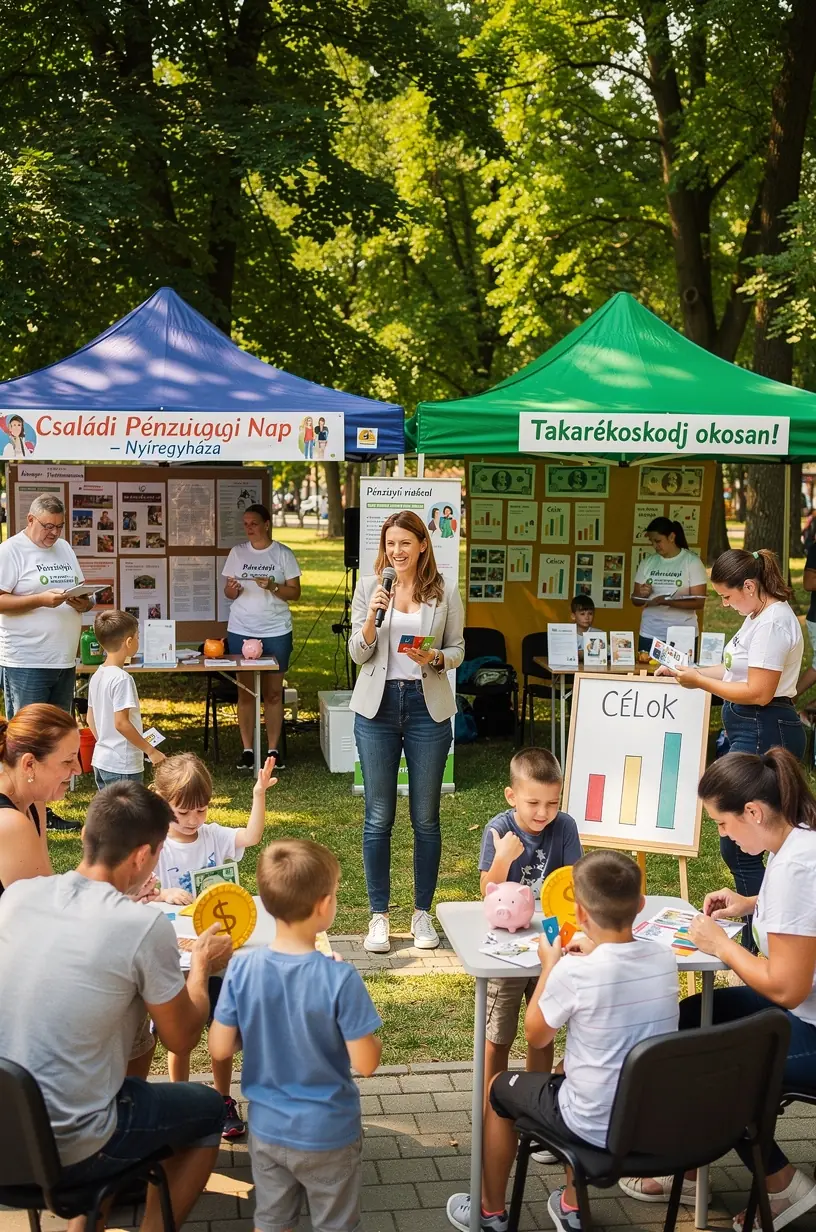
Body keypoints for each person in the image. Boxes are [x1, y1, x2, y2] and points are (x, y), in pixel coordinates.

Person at [0, 781, 232, 1231]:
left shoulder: (16, 899)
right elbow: (182, 1037)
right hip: (73, 1148)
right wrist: (201, 965)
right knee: (206, 1111)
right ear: (143, 855)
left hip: (5, 1136)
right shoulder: (140, 925)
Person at [622, 749, 816, 1230]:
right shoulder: (800, 842)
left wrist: (721, 947)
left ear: (753, 811)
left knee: (714, 1065)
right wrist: (750, 903)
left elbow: (788, 989)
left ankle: (783, 1185)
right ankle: (689, 1167)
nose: (722, 835)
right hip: (804, 1012)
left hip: (808, 1020)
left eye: (723, 824)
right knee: (691, 1017)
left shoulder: (796, 868)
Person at [447, 851, 678, 1232]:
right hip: (649, 1121)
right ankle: (571, 1206)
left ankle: (488, 1213)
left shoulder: (575, 970)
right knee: (570, 1070)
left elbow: (536, 1034)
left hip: (590, 1123)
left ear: (581, 915)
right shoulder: (664, 958)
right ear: (640, 904)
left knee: (498, 1089)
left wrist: (552, 964)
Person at [210, 840, 382, 1232]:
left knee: (272, 1221)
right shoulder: (340, 978)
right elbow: (367, 1063)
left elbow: (219, 1047)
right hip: (329, 1133)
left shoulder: (241, 970)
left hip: (269, 1130)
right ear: (323, 906)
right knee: (335, 1223)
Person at [664, 548, 805, 949]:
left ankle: (760, 935)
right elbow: (732, 672)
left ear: (749, 585)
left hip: (765, 725)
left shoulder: (774, 621)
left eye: (727, 596)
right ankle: (758, 926)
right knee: (740, 833)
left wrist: (700, 684)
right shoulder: (756, 615)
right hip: (753, 727)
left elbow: (759, 692)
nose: (725, 604)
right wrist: (685, 670)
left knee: (745, 834)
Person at [348, 510, 465, 955]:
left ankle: (421, 913)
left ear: (421, 546)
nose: (396, 552)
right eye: (390, 543)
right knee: (378, 817)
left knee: (425, 818)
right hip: (377, 708)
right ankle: (378, 917)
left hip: (425, 708)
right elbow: (359, 655)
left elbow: (458, 648)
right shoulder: (370, 588)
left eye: (404, 543)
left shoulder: (445, 591)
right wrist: (372, 619)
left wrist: (436, 657)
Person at [152, 751, 276, 1137]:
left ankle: (223, 1098)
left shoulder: (212, 835)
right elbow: (140, 891)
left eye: (201, 811)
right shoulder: (155, 846)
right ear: (162, 802)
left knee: (222, 1033)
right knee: (181, 1037)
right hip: (179, 961)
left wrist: (258, 794)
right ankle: (181, 1100)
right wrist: (161, 894)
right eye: (182, 812)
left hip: (220, 958)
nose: (193, 821)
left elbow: (251, 837)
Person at [478, 747, 582, 1164]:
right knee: (498, 1033)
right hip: (506, 939)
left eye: (552, 803)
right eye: (534, 803)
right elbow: (486, 890)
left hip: (551, 934)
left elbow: (574, 885)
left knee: (545, 1025)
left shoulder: (566, 827)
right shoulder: (499, 828)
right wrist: (503, 858)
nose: (544, 812)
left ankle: (538, 1118)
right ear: (511, 796)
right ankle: (493, 1112)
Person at [222, 504, 301, 770]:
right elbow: (228, 594)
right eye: (245, 524)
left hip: (276, 630)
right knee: (245, 692)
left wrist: (274, 586)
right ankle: (247, 750)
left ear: (266, 524)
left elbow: (295, 593)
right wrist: (232, 589)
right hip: (242, 628)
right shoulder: (237, 553)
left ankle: (273, 750)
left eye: (253, 523)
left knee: (273, 694)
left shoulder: (282, 554)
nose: (249, 528)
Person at [0, 493, 94, 717]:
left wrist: (84, 602)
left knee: (57, 737)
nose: (54, 533)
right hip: (26, 662)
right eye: (48, 526)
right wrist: (41, 600)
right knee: (29, 737)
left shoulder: (64, 548)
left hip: (64, 660)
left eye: (60, 526)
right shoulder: (10, 550)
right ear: (30, 520)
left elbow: (81, 588)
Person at [0, 704, 80, 897]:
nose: (78, 769)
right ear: (29, 764)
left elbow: (47, 886)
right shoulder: (10, 823)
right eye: (68, 761)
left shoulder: (34, 803)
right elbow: (41, 909)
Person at [88, 610, 166, 788]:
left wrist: (105, 744)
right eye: (138, 637)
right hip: (123, 764)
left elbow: (90, 719)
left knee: (110, 813)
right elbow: (121, 723)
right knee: (128, 815)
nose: (138, 641)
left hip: (102, 759)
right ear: (129, 642)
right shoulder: (122, 678)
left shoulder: (98, 674)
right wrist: (150, 750)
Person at [631, 517, 707, 654]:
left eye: (658, 541)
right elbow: (635, 600)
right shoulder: (647, 562)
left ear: (671, 537)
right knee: (646, 673)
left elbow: (699, 601)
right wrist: (642, 594)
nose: (655, 546)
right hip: (650, 632)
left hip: (682, 633)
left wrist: (668, 602)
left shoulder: (691, 562)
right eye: (652, 542)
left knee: (681, 674)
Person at [570, 594, 596, 659]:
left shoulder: (599, 634)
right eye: (582, 614)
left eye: (590, 613)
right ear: (573, 616)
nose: (587, 617)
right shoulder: (566, 634)